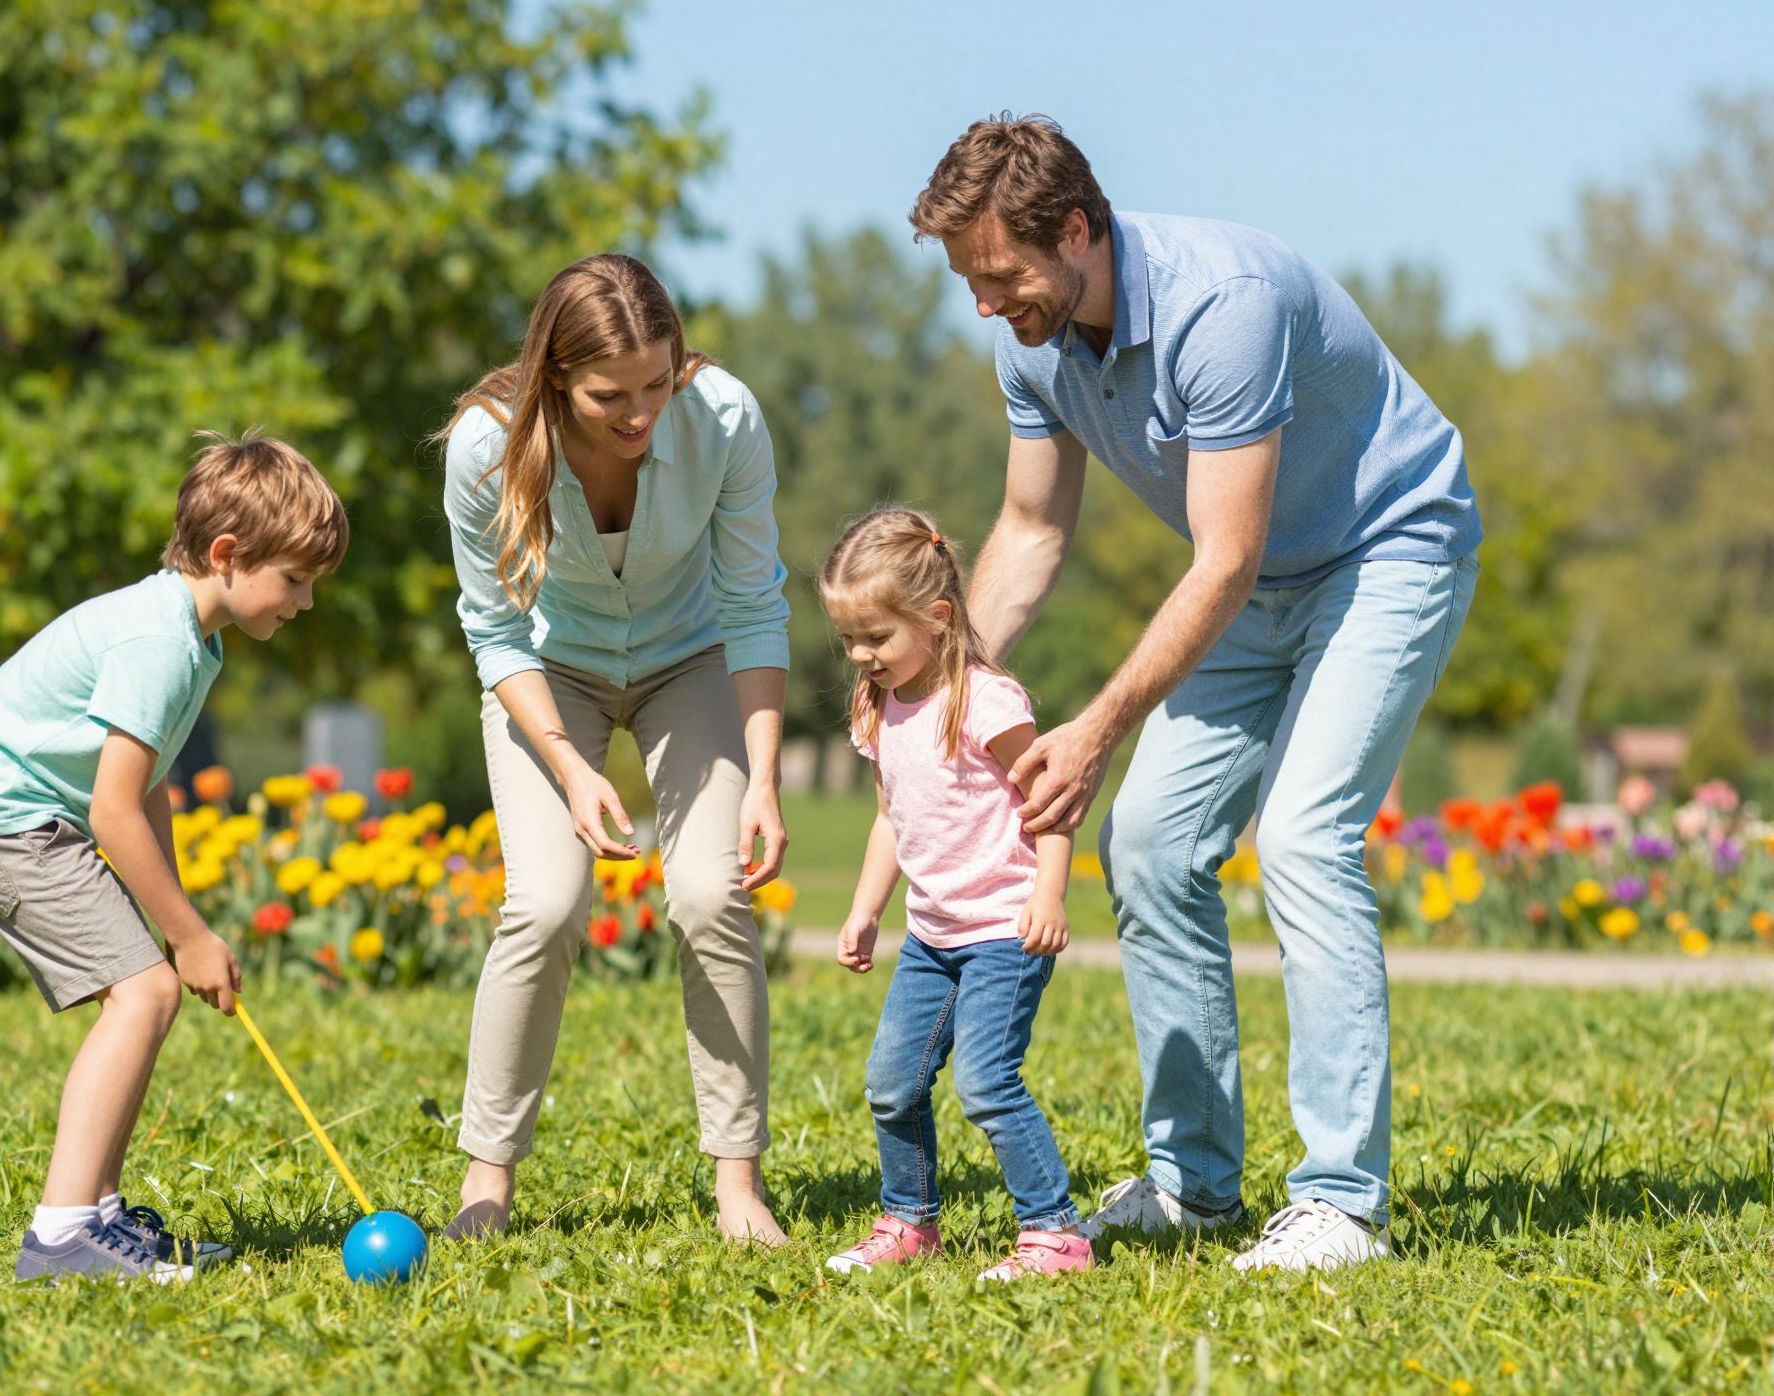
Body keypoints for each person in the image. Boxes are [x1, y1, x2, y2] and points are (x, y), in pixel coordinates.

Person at [910, 115, 1481, 1272]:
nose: (985, 304)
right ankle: (1193, 1185)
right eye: (967, 280)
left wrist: (1096, 727)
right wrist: (938, 680)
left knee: (1303, 837)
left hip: (1384, 551)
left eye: (1002, 274)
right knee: (1151, 845)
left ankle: (1339, 1202)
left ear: (1075, 228)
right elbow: (1028, 530)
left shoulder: (1225, 304)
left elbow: (1219, 557)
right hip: (1257, 579)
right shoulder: (1029, 336)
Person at [0, 433, 349, 1283]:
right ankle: (60, 1237)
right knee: (148, 992)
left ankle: (101, 1217)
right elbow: (111, 809)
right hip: (4, 822)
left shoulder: (193, 636)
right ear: (228, 555)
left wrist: (177, 914)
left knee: (144, 993)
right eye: (295, 580)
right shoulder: (159, 644)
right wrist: (186, 938)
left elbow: (148, 785)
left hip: (31, 818)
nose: (305, 602)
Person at [438, 254, 791, 1244]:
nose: (639, 413)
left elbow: (754, 600)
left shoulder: (722, 418)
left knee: (710, 894)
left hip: (691, 663)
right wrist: (567, 763)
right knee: (544, 903)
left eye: (655, 384)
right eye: (608, 396)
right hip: (552, 681)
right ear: (555, 377)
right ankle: (486, 1183)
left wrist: (762, 778)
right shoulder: (481, 449)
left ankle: (737, 1186)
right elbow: (495, 633)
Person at [818, 507, 1090, 1282]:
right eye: (850, 640)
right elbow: (889, 820)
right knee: (890, 1084)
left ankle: (1055, 1236)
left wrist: (1050, 893)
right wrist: (867, 909)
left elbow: (1053, 802)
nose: (861, 656)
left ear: (937, 619)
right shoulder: (879, 706)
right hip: (932, 938)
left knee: (986, 1082)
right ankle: (909, 1221)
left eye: (876, 637)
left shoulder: (989, 702)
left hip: (1006, 929)